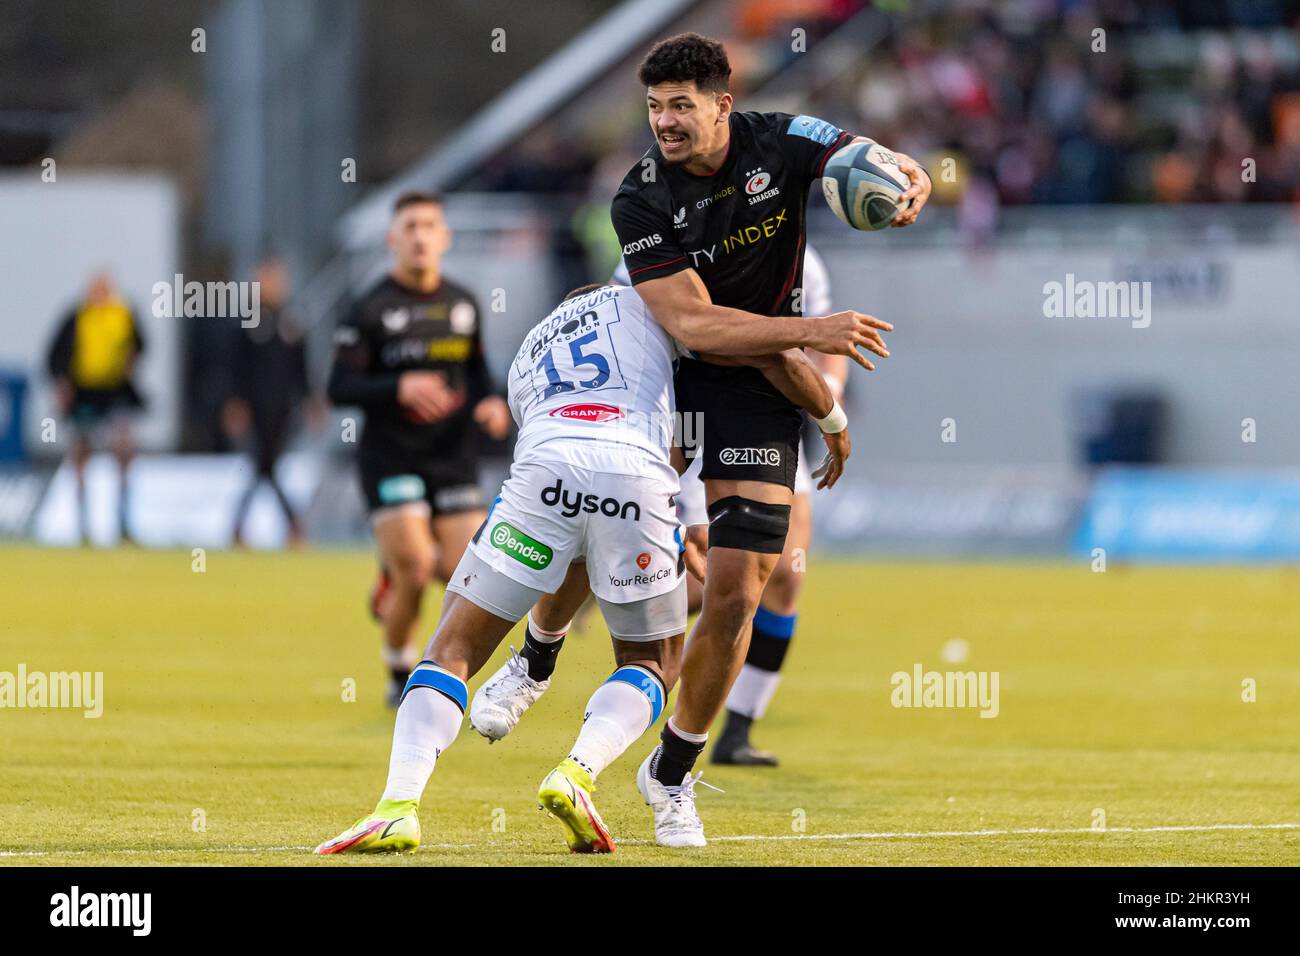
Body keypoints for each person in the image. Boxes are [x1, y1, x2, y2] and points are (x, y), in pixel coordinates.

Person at [315, 280, 875, 855]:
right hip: (633, 477)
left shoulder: (529, 348)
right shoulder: (649, 303)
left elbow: (554, 462)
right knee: (654, 661)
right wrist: (829, 417)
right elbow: (761, 353)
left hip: (544, 474)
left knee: (451, 649)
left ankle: (398, 805)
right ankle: (577, 770)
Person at [608, 32, 930, 845]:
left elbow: (859, 150)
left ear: (723, 103)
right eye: (655, 107)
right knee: (600, 531)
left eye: (682, 105)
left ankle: (672, 773)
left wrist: (908, 171)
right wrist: (810, 332)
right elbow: (691, 323)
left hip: (753, 384)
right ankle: (535, 658)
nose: (666, 123)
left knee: (742, 584)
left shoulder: (779, 138)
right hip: (662, 377)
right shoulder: (639, 196)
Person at [327, 192, 512, 706]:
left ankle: (427, 639)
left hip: (451, 456)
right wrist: (397, 387)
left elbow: (476, 374)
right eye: (409, 226)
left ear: (444, 237)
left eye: (429, 225)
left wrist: (492, 403)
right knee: (417, 564)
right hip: (393, 455)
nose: (419, 235)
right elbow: (338, 387)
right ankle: (399, 673)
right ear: (392, 239)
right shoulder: (369, 308)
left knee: (465, 573)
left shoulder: (462, 302)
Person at [46, 270, 146, 545]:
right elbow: (53, 357)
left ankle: (123, 520)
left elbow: (141, 346)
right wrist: (62, 384)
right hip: (85, 395)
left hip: (115, 394)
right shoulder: (76, 318)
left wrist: (130, 361)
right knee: (81, 455)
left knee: (124, 451)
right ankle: (83, 524)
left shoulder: (123, 315)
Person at [224, 256, 313, 547]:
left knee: (265, 465)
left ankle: (241, 526)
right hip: (253, 406)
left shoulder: (292, 321)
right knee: (265, 464)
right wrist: (235, 404)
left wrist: (310, 400)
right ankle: (292, 525)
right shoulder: (247, 320)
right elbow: (235, 367)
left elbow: (302, 367)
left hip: (283, 407)